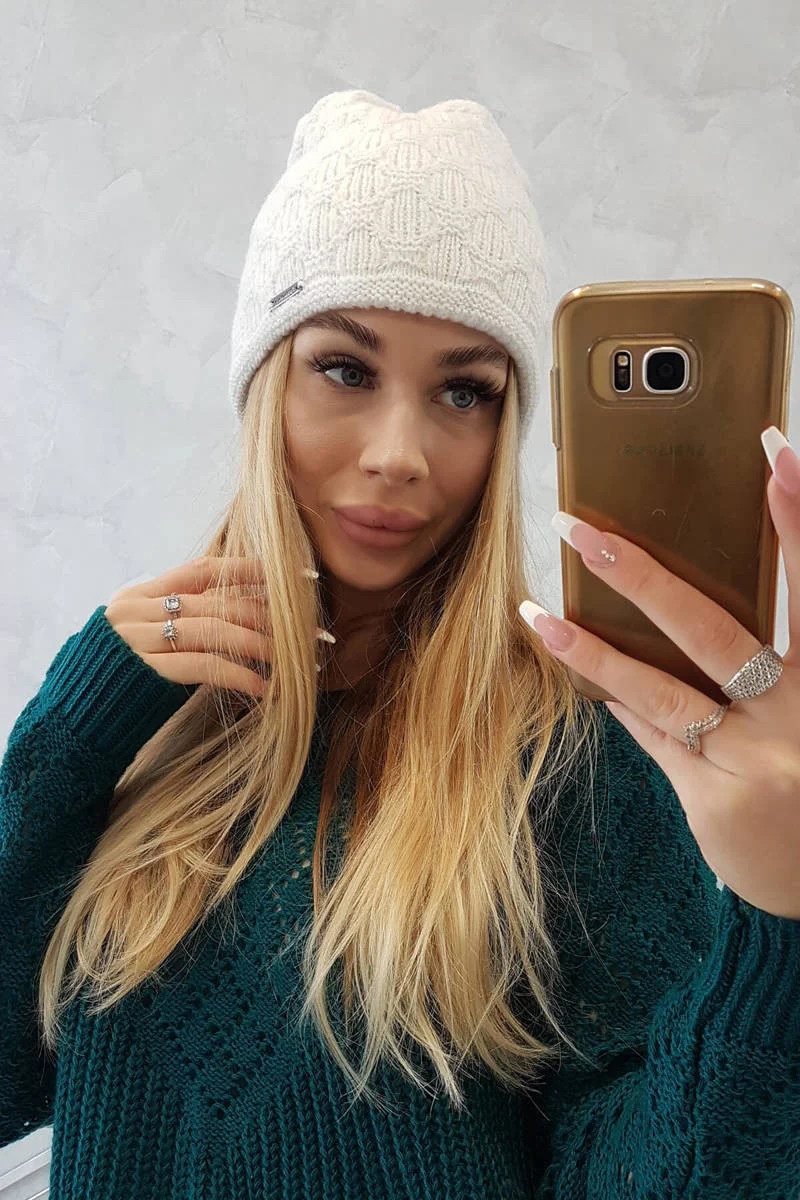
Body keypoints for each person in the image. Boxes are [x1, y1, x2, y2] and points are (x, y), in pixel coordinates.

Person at [1, 90, 798, 1199]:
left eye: (464, 392)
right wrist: (72, 731)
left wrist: (777, 921)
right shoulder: (139, 718)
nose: (399, 453)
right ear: (264, 381)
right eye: (345, 368)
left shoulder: (565, 753)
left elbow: (653, 1173)